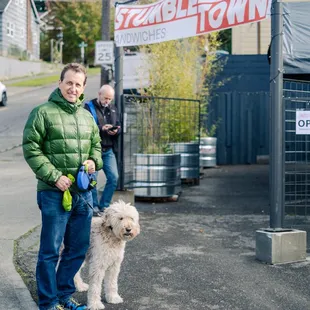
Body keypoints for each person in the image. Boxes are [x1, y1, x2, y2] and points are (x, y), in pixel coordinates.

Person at [22, 63, 103, 310]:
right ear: (60, 83)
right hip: (53, 193)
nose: (73, 88)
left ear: (83, 88)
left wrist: (93, 161)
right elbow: (31, 148)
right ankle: (47, 303)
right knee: (49, 251)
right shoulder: (42, 112)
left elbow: (97, 149)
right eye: (69, 82)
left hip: (83, 194)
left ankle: (63, 295)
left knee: (77, 249)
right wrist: (55, 176)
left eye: (78, 84)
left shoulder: (87, 116)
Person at [84, 84, 120, 214]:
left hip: (108, 149)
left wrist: (115, 131)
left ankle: (104, 205)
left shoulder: (113, 108)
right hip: (94, 150)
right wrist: (102, 128)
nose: (107, 101)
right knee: (92, 180)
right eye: (105, 98)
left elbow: (118, 124)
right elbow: (86, 127)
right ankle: (94, 207)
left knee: (114, 177)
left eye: (110, 99)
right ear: (99, 94)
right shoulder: (89, 107)